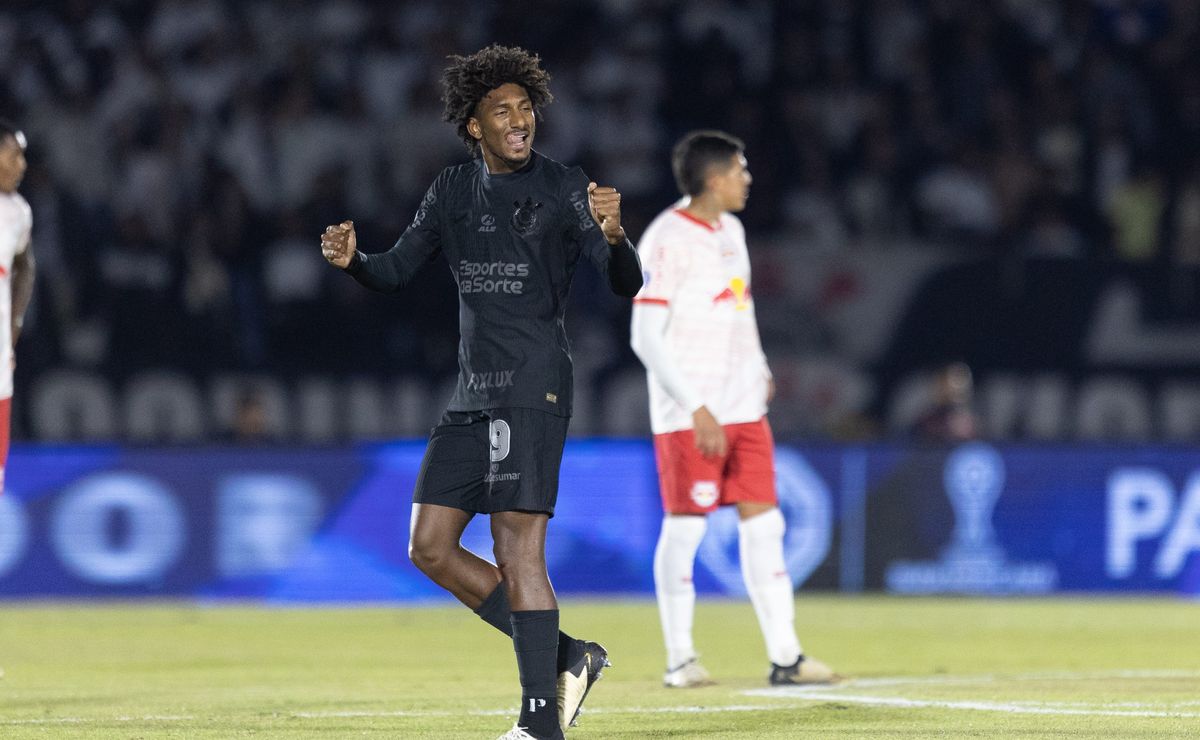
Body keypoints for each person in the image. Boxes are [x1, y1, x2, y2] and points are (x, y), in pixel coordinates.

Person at [320, 45, 642, 740]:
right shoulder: (451, 192)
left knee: (515, 547)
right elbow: (397, 270)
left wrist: (616, 237)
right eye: (503, 111)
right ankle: (566, 657)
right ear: (474, 126)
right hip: (472, 395)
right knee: (428, 545)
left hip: (532, 385)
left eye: (526, 108)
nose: (520, 120)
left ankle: (539, 721)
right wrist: (355, 264)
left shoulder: (564, 186)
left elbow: (624, 282)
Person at [630, 130, 835, 689]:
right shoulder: (665, 240)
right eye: (741, 170)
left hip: (743, 407)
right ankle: (680, 659)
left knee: (766, 526)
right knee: (687, 531)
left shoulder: (733, 231)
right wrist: (695, 407)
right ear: (715, 178)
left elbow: (740, 308)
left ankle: (787, 657)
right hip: (690, 414)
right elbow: (644, 336)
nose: (748, 179)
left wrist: (761, 366)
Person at [0, 121, 35, 493]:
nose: (20, 165)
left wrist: (14, 325)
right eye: (12, 155)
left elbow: (26, 267)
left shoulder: (18, 213)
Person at [910, 361, 980, 443]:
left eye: (963, 379)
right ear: (941, 382)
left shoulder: (969, 420)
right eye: (955, 379)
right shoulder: (926, 416)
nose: (960, 386)